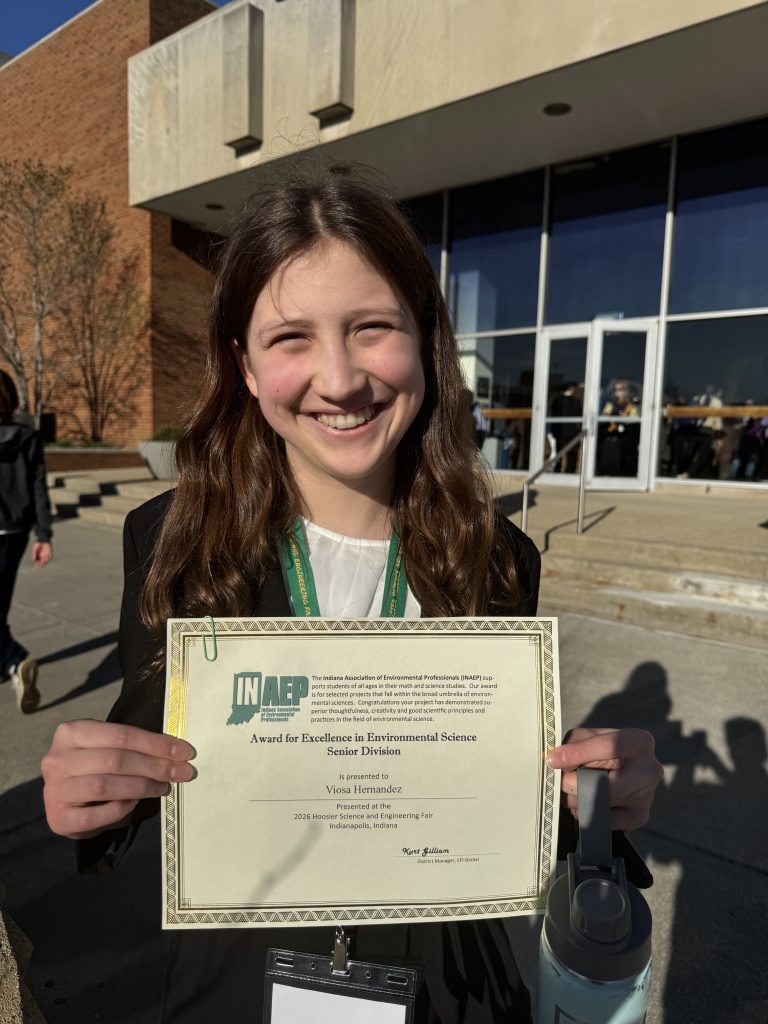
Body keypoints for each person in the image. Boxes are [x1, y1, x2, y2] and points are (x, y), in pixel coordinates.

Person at [41, 167, 662, 1023]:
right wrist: (91, 798)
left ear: (424, 339)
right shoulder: (172, 542)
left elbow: (491, 789)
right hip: (242, 980)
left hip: (451, 984)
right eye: (291, 338)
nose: (338, 379)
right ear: (246, 367)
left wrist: (594, 805)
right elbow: (143, 753)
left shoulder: (497, 557)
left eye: (372, 328)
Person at [0, 370, 52, 713]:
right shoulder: (29, 436)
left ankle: (14, 660)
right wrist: (43, 535)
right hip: (16, 531)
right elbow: (38, 485)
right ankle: (6, 665)